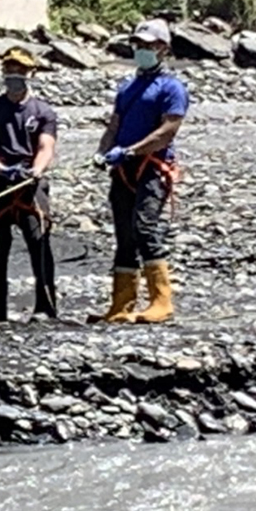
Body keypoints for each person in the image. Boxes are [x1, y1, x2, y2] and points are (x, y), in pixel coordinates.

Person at [93, 18, 189, 324]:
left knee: (145, 227)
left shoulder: (172, 88)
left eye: (148, 45)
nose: (142, 50)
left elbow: (167, 131)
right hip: (123, 167)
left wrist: (132, 150)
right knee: (124, 234)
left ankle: (162, 301)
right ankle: (122, 305)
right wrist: (102, 151)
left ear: (163, 48)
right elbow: (115, 126)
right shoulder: (128, 86)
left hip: (152, 167)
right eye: (138, 45)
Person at [0, 47, 59, 322]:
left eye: (20, 70)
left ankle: (45, 308)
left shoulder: (43, 111)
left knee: (40, 243)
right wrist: (3, 170)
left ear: (31, 73)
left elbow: (46, 146)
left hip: (31, 184)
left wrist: (36, 170)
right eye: (10, 69)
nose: (14, 75)